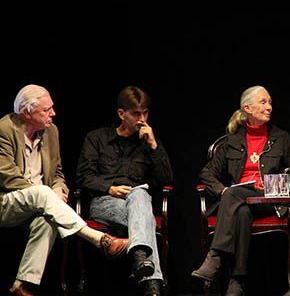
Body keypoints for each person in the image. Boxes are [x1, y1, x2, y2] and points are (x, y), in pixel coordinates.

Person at [0, 84, 129, 296]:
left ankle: (21, 285)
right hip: (7, 203)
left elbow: (57, 173)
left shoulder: (51, 132)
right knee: (42, 193)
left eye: (52, 107)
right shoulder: (4, 130)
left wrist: (58, 189)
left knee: (48, 221)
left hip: (38, 204)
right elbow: (8, 177)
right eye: (46, 110)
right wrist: (47, 194)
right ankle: (100, 240)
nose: (53, 113)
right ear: (26, 112)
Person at [191, 85, 290, 296]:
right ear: (247, 108)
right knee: (240, 210)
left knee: (232, 195)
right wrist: (221, 190)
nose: (269, 107)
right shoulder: (233, 141)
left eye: (269, 102)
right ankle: (237, 281)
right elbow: (207, 173)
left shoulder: (281, 138)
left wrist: (281, 186)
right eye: (263, 102)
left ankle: (215, 256)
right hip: (242, 201)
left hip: (270, 200)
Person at [76, 86, 173, 296]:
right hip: (104, 202)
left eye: (145, 113)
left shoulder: (148, 142)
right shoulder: (97, 138)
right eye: (136, 113)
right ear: (122, 114)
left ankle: (141, 262)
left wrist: (154, 145)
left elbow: (166, 180)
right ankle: (152, 281)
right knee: (144, 212)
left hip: (137, 202)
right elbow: (83, 177)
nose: (142, 119)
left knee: (139, 194)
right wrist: (110, 188)